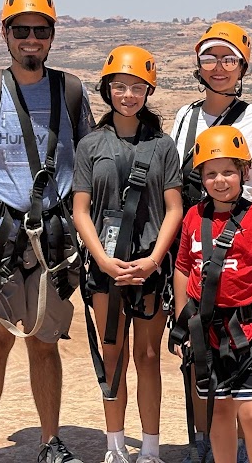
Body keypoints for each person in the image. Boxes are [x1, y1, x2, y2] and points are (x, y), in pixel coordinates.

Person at [0, 0, 94, 463]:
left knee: (46, 343)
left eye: (41, 31)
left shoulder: (70, 91)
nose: (32, 39)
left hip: (54, 240)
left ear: (52, 36)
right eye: (22, 30)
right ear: (5, 33)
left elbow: (90, 162)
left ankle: (50, 442)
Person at [170, 21, 252, 462]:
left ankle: (236, 448)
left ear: (243, 66)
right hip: (196, 239)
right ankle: (203, 444)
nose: (218, 68)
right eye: (209, 58)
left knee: (240, 367)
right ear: (198, 66)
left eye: (228, 59)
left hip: (242, 242)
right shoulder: (185, 117)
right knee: (199, 350)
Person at [72, 45, 184, 463]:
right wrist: (101, 259)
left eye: (137, 87)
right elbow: (80, 209)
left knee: (149, 357)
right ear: (107, 89)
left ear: (148, 91)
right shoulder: (91, 145)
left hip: (148, 266)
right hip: (106, 268)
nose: (128, 95)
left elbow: (174, 208)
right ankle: (115, 447)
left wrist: (154, 260)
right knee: (113, 352)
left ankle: (150, 450)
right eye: (120, 86)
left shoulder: (163, 145)